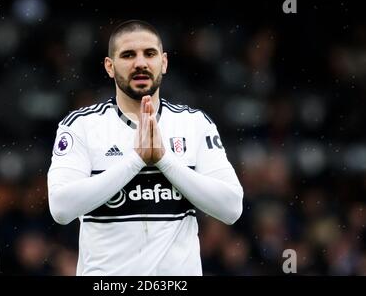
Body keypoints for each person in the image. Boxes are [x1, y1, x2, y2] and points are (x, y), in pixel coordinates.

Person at [47, 20, 243, 276]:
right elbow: (61, 208)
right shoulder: (81, 126)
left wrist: (165, 160)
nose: (140, 63)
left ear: (164, 62)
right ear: (109, 66)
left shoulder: (194, 123)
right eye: (128, 55)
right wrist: (135, 161)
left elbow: (231, 208)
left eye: (149, 53)